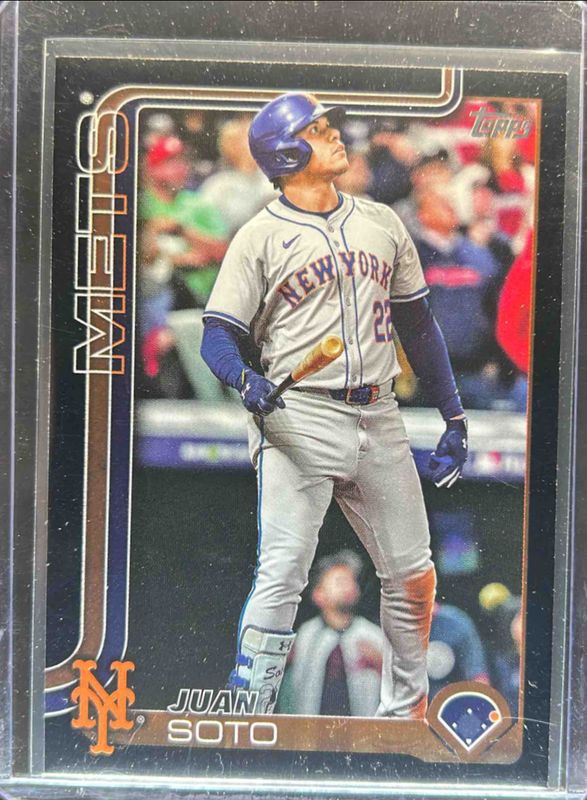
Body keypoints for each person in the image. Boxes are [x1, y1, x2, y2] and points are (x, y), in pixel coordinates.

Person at [200, 93, 468, 718]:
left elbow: (418, 325)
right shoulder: (260, 235)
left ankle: (403, 715)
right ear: (286, 152)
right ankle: (250, 713)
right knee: (284, 571)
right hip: (299, 415)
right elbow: (218, 334)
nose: (335, 135)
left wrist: (453, 414)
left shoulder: (381, 221)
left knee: (414, 573)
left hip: (378, 411)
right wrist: (244, 379)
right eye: (317, 129)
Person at [277, 550, 384, 717]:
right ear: (318, 594)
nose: (348, 586)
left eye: (351, 581)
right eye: (340, 582)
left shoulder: (373, 635)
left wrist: (381, 663)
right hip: (310, 728)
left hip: (363, 728)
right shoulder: (305, 636)